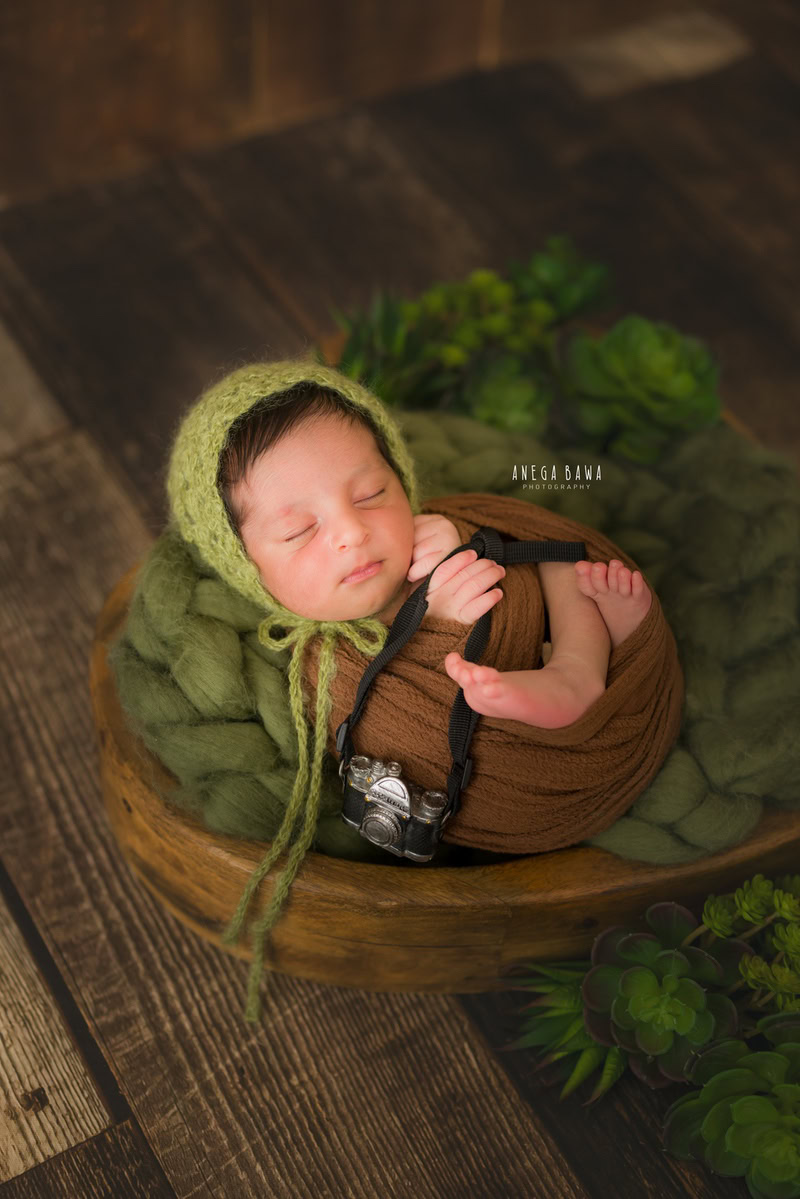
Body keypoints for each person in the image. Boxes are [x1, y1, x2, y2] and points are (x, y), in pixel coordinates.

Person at [218, 385, 653, 732]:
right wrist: (435, 618)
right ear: (245, 566)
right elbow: (401, 713)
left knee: (557, 557)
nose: (352, 531)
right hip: (489, 707)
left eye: (372, 495)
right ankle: (584, 665)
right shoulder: (316, 665)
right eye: (300, 531)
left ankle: (582, 664)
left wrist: (459, 542)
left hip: (552, 639)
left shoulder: (425, 530)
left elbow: (511, 545)